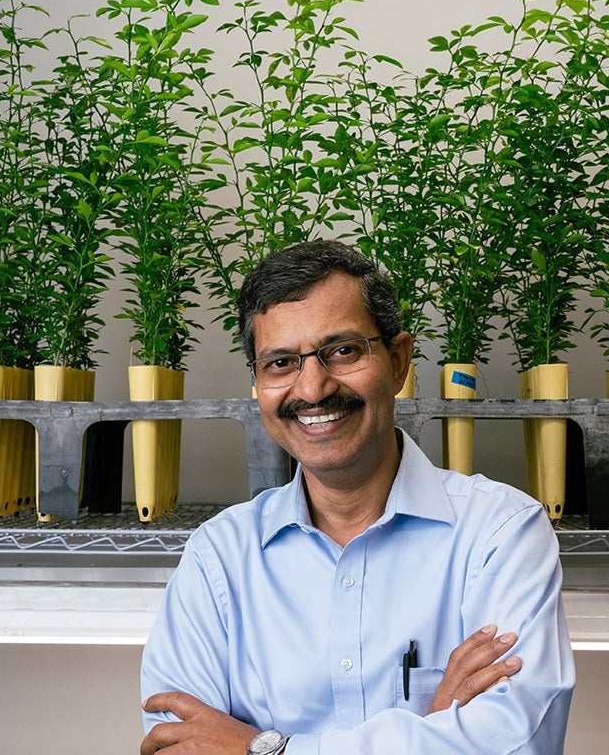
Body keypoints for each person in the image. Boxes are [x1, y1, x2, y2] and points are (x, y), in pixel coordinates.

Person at [140, 240, 575, 754]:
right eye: (280, 363)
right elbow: (178, 746)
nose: (313, 387)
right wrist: (433, 731)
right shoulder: (219, 558)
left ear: (398, 361)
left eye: (342, 351)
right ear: (257, 383)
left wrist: (262, 748)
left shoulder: (500, 533)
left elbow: (516, 743)